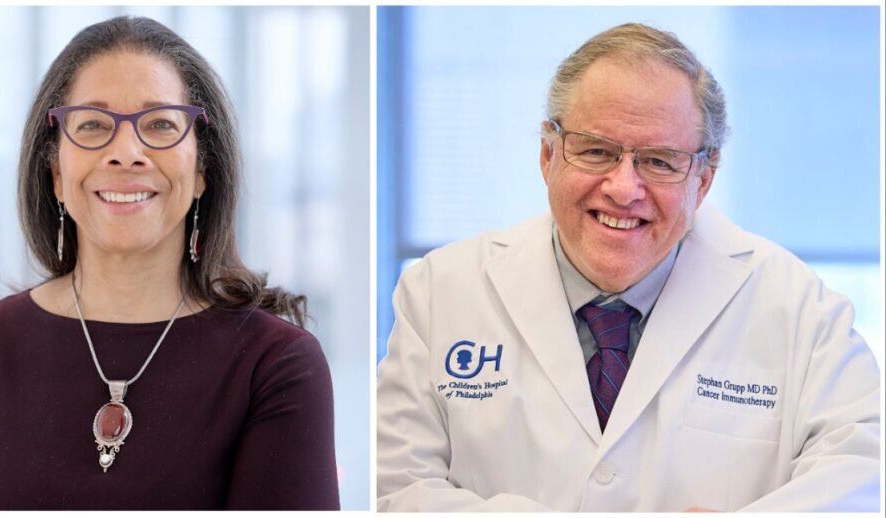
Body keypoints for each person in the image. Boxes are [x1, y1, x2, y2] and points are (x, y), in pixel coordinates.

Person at [377, 22, 880, 512]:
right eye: (596, 151)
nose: (623, 188)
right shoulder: (440, 291)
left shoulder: (796, 308)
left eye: (660, 161)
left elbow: (866, 471)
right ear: (548, 155)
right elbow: (395, 486)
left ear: (702, 181)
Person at [0, 16, 339, 510]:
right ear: (55, 172)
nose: (126, 152)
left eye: (160, 124)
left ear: (202, 169)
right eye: (93, 125)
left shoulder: (276, 364)